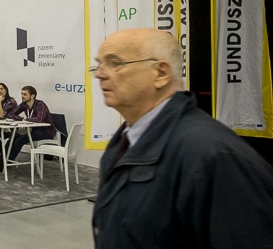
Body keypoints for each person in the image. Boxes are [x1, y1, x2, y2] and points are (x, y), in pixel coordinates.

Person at [91, 28, 273, 247]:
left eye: (114, 63)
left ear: (161, 73)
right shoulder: (124, 142)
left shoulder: (216, 156)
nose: (99, 74)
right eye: (98, 64)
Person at [0, 85, 55, 170]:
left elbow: (39, 120)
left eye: (25, 94)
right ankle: (0, 161)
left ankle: (5, 163)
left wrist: (26, 119)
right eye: (21, 94)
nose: (22, 96)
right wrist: (21, 118)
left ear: (32, 96)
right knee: (14, 136)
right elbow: (10, 114)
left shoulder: (40, 104)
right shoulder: (24, 104)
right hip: (33, 130)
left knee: (20, 140)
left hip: (45, 132)